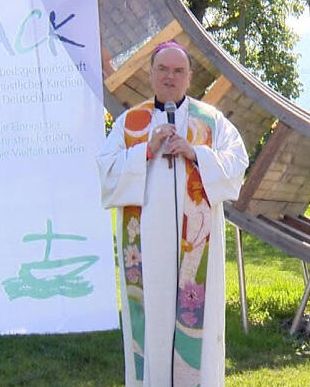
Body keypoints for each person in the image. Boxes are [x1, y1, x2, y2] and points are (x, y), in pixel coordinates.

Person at [96, 40, 248, 386]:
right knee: (152, 324)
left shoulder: (211, 121)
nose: (170, 77)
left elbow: (238, 165)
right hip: (147, 250)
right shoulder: (130, 122)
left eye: (178, 71)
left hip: (196, 250)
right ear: (150, 74)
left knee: (198, 328)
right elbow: (106, 174)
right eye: (162, 69)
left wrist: (197, 154)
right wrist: (145, 151)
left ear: (189, 77)